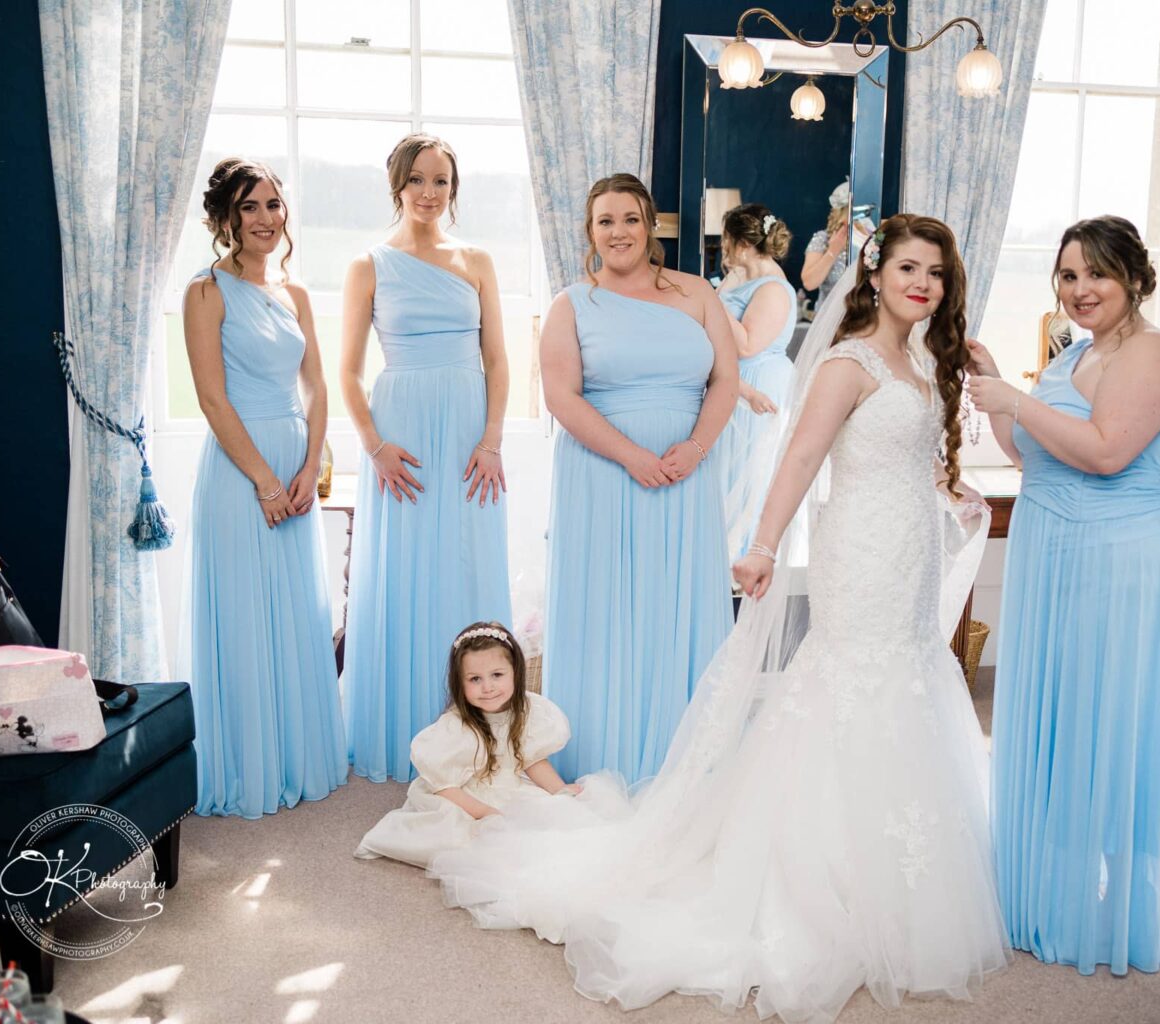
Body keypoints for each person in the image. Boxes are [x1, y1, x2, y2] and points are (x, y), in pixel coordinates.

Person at [429, 214, 1009, 1022]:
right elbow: (800, 457)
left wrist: (952, 489)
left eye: (936, 273)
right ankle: (824, 881)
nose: (923, 284)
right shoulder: (847, 362)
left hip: (910, 554)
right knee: (852, 685)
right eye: (908, 267)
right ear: (874, 275)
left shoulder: (922, 361)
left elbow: (910, 455)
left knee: (908, 681)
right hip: (860, 557)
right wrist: (763, 544)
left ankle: (903, 879)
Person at [968, 214, 1160, 975]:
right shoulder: (1073, 353)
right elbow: (1030, 454)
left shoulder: (1152, 353)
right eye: (1069, 276)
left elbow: (1107, 454)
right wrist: (1000, 389)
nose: (1080, 290)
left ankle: (1129, 899)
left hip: (1122, 561)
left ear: (1134, 277)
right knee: (1068, 714)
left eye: (1097, 274)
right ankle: (1058, 890)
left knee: (1117, 718)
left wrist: (1013, 397)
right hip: (1056, 560)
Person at [540, 173, 739, 784]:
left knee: (676, 605)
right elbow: (561, 397)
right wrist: (631, 456)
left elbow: (726, 380)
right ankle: (604, 757)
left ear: (650, 225)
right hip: (602, 474)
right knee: (608, 612)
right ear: (590, 231)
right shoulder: (572, 304)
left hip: (686, 475)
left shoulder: (697, 293)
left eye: (631, 218)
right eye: (606, 221)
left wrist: (697, 448)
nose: (619, 231)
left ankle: (683, 759)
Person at [339, 133, 513, 784]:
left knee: (466, 562)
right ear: (397, 185)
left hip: (468, 432)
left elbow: (498, 359)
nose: (429, 192)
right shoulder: (369, 265)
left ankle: (479, 732)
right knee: (404, 569)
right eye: (417, 179)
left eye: (440, 180)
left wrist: (491, 440)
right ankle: (405, 728)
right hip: (402, 434)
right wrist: (375, 447)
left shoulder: (477, 260)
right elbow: (347, 372)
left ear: (453, 188)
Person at [182, 158, 347, 819]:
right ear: (226, 217)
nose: (264, 218)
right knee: (245, 614)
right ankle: (247, 765)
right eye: (249, 206)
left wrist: (309, 466)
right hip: (238, 471)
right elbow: (212, 400)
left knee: (294, 612)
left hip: (293, 467)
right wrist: (265, 480)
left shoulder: (295, 292)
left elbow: (317, 385)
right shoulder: (206, 292)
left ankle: (294, 755)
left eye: (273, 204)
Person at [355, 622, 581, 869]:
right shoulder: (457, 725)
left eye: (497, 675)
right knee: (460, 839)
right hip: (463, 794)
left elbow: (532, 760)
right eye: (475, 679)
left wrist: (559, 790)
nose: (488, 688)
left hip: (510, 787)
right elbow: (444, 786)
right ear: (460, 683)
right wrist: (484, 812)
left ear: (515, 672)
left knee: (552, 825)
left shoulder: (527, 710)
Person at [713, 203, 797, 558]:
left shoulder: (773, 289)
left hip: (759, 385)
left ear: (744, 245)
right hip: (736, 383)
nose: (723, 247)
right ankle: (723, 556)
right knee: (726, 474)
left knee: (749, 477)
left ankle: (743, 557)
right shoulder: (743, 278)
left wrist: (712, 303)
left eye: (726, 240)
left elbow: (747, 344)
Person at [801, 181, 851, 310]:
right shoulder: (823, 239)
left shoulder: (872, 242)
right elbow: (809, 283)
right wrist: (833, 251)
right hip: (828, 316)